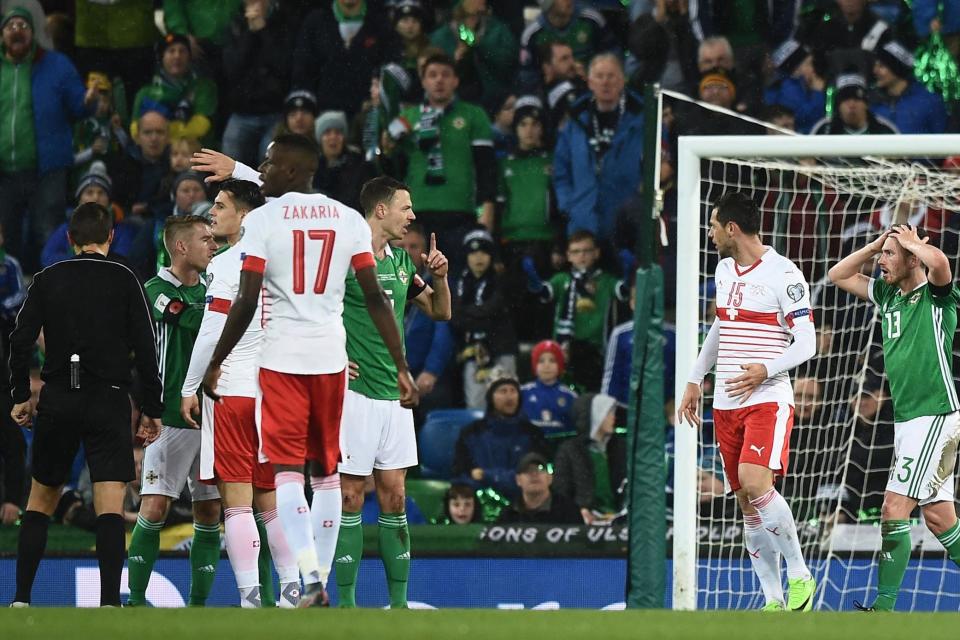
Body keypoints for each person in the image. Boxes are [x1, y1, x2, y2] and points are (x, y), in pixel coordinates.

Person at [201, 134, 417, 607]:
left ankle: (313, 581)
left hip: (281, 362)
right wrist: (402, 364)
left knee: (286, 477)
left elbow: (246, 297)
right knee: (327, 477)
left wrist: (216, 362)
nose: (265, 171)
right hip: (332, 362)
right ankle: (315, 578)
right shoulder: (346, 219)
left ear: (294, 170)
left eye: (271, 165)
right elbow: (377, 297)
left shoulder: (262, 220)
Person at [8, 202, 163, 608]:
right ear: (110, 237)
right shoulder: (127, 278)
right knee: (109, 503)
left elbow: (20, 340)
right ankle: (110, 602)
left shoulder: (46, 277)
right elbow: (148, 348)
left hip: (59, 397)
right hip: (109, 399)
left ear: (70, 239)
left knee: (40, 500)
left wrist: (21, 395)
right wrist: (152, 407)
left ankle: (22, 599)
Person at [677, 191, 817, 612]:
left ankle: (800, 575)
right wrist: (695, 378)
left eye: (714, 225)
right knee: (744, 502)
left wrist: (766, 369)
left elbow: (807, 343)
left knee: (758, 484)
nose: (710, 232)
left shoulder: (784, 274)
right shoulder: (723, 270)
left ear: (732, 228)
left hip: (767, 399)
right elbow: (722, 325)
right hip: (725, 402)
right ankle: (773, 599)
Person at [176, 180, 301, 609]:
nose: (213, 212)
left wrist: (190, 387)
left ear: (244, 216)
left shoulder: (229, 266)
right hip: (277, 395)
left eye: (221, 205)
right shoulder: (284, 262)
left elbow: (212, 332)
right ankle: (291, 590)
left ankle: (249, 597)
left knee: (237, 500)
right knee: (270, 500)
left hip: (233, 392)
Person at [828, 224, 960, 612]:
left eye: (889, 255)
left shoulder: (937, 297)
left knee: (892, 508)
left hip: (934, 413)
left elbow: (942, 264)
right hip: (909, 421)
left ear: (913, 260)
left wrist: (914, 243)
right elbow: (838, 275)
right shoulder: (887, 296)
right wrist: (875, 245)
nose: (882, 262)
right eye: (882, 255)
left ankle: (882, 611)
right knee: (939, 518)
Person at [335, 176, 450, 610]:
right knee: (349, 495)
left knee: (395, 496)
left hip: (394, 399)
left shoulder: (403, 262)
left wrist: (439, 277)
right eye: (406, 207)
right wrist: (331, 354)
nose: (413, 216)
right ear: (380, 210)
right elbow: (312, 307)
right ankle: (345, 603)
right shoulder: (344, 258)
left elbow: (441, 311)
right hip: (354, 394)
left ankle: (397, 606)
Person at [126, 215, 220, 608]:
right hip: (169, 413)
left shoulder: (215, 289)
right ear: (180, 247)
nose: (213, 246)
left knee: (210, 509)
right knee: (156, 504)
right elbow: (195, 320)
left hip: (214, 412)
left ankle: (198, 606)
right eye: (205, 239)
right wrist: (231, 314)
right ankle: (134, 599)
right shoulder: (155, 290)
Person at [0, 6, 97, 273]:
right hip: (5, 172)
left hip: (48, 168)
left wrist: (89, 101)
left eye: (23, 26)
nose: (17, 31)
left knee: (48, 233)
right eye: (11, 27)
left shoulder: (57, 65)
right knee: (5, 237)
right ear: (2, 35)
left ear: (33, 33)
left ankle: (54, 292)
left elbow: (79, 107)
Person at [523, 230, 631, 392]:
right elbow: (544, 294)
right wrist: (533, 281)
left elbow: (623, 292)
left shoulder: (606, 280)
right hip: (565, 350)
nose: (582, 256)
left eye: (587, 251)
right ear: (568, 256)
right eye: (576, 252)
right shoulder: (562, 279)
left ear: (596, 253)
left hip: (596, 351)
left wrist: (629, 273)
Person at [553, 54, 644, 244]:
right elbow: (561, 169)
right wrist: (570, 205)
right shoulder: (575, 120)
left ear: (622, 80)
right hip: (583, 220)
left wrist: (637, 200)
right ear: (589, 82)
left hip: (627, 221)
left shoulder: (643, 117)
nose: (605, 82)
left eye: (611, 76)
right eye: (599, 76)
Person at [221, 0, 299, 168]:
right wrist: (251, 33)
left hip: (275, 112)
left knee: (270, 169)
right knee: (228, 166)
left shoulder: (285, 21)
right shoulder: (235, 24)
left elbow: (283, 65)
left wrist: (263, 31)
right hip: (242, 112)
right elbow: (232, 68)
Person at [292, 0, 400, 119]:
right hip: (324, 115)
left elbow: (391, 66)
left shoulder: (380, 21)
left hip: (369, 115)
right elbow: (302, 69)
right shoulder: (315, 20)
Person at [451, 371, 548, 499]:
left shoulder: (533, 434)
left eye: (513, 391)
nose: (509, 397)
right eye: (503, 391)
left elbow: (534, 479)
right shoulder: (471, 433)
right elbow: (461, 477)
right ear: (491, 397)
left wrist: (487, 476)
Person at [451, 229, 518, 409]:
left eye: (484, 252)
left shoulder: (503, 281)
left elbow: (494, 311)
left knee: (507, 405)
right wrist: (481, 313)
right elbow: (455, 319)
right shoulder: (459, 283)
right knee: (475, 406)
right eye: (473, 253)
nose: (478, 258)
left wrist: (467, 313)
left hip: (502, 351)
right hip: (473, 354)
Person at [429, 0, 518, 110]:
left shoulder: (498, 29)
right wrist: (454, 60)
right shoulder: (441, 37)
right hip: (455, 104)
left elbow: (509, 64)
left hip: (496, 102)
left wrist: (479, 45)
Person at [131, 33, 218, 145]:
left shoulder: (203, 87)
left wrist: (165, 138)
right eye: (171, 51)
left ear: (190, 57)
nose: (177, 56)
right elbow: (135, 130)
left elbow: (200, 127)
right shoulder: (145, 93)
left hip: (193, 153)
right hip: (154, 152)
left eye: (182, 51)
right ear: (162, 58)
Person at [553, 393, 626, 523]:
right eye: (608, 413)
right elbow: (561, 491)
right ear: (597, 415)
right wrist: (577, 512)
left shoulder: (620, 447)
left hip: (620, 519)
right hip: (584, 522)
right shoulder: (569, 450)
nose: (613, 418)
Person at [518, 0, 618, 90]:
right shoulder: (533, 34)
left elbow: (613, 55)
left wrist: (592, 73)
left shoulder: (591, 19)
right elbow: (528, 77)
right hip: (551, 92)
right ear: (547, 4)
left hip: (593, 87)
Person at [870, 40, 947, 135]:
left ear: (896, 68)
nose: (875, 71)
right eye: (875, 65)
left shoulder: (929, 101)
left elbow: (942, 140)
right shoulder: (872, 103)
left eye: (881, 66)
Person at [497, 452, 581, 524]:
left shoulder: (568, 511)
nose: (534, 474)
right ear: (518, 480)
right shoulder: (508, 515)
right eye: (527, 470)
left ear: (549, 478)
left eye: (540, 469)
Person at [763, 39, 826, 134]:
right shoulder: (787, 88)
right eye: (808, 64)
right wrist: (817, 93)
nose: (812, 69)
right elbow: (805, 119)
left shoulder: (793, 85)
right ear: (796, 70)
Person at [810, 73, 899, 136]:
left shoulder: (884, 130)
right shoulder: (823, 130)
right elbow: (808, 160)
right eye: (846, 99)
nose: (851, 105)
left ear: (866, 104)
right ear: (838, 105)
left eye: (857, 99)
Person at [521, 340, 577, 435]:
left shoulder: (570, 395)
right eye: (541, 361)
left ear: (559, 365)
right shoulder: (523, 392)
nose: (546, 365)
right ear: (535, 366)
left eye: (552, 360)